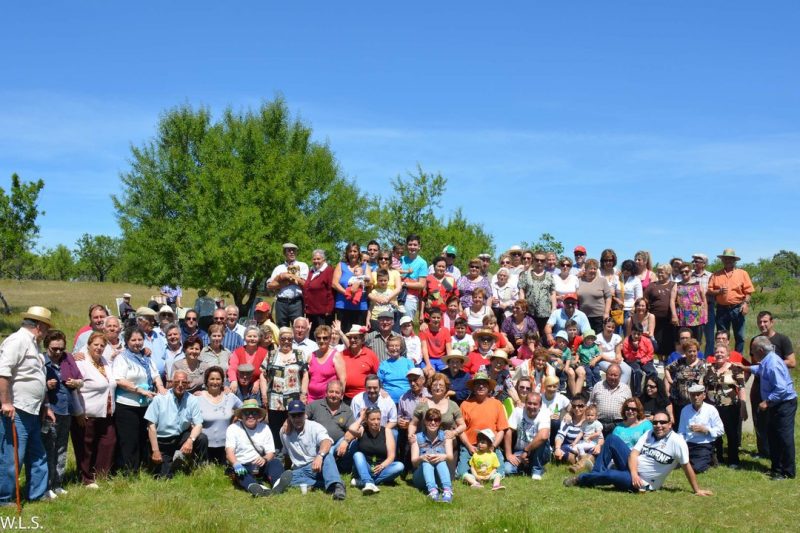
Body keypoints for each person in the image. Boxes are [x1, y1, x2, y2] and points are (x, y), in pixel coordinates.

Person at [564, 411, 712, 496]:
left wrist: (697, 490)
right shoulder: (649, 433)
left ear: (670, 424)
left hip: (642, 482)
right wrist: (634, 473)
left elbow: (686, 466)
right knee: (612, 439)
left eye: (662, 422)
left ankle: (581, 479)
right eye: (655, 422)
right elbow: (634, 454)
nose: (658, 425)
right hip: (632, 469)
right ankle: (596, 475)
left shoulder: (678, 442)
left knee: (610, 475)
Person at [0, 307, 53, 503]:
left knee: (37, 454)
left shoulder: (33, 345)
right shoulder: (17, 341)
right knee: (13, 456)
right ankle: (5, 498)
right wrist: (6, 402)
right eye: (47, 328)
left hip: (33, 409)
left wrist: (45, 405)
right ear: (39, 326)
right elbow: (3, 372)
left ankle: (37, 494)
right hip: (17, 409)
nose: (47, 332)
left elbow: (36, 377)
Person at [113, 326, 167, 474]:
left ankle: (143, 467)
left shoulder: (146, 358)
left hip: (145, 405)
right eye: (133, 340)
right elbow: (119, 380)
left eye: (140, 339)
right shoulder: (122, 358)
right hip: (127, 405)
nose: (137, 343)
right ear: (127, 341)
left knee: (143, 437)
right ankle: (130, 472)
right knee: (129, 439)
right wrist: (140, 390)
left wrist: (161, 388)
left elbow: (155, 375)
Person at [748, 336, 797, 479]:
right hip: (777, 404)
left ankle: (787, 472)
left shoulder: (773, 363)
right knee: (773, 436)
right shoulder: (767, 361)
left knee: (783, 437)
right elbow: (761, 369)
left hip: (784, 404)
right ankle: (776, 468)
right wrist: (746, 368)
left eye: (752, 350)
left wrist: (767, 402)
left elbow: (781, 389)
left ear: (760, 350)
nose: (751, 354)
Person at [72, 331, 116, 488]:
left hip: (107, 412)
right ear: (88, 345)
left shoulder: (105, 362)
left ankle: (101, 475)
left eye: (102, 345)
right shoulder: (81, 363)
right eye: (95, 344)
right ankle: (86, 478)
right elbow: (74, 389)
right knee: (86, 447)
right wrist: (78, 411)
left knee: (108, 442)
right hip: (87, 413)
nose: (99, 348)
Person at [749, 310, 795, 459]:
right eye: (759, 322)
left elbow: (792, 362)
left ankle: (779, 456)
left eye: (765, 321)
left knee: (777, 426)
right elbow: (756, 364)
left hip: (776, 386)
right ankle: (764, 451)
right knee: (760, 420)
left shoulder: (782, 340)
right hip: (759, 384)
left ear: (772, 322)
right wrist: (746, 369)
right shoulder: (755, 340)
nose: (762, 324)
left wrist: (772, 364)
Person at [145, 369, 207, 478]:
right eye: (177, 382)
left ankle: (198, 469)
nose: (180, 385)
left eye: (184, 382)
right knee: (163, 477)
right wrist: (155, 450)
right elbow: (151, 426)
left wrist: (190, 440)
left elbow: (198, 424)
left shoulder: (192, 400)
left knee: (201, 438)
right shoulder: (159, 399)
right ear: (171, 382)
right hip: (163, 440)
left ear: (188, 384)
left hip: (181, 436)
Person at [280, 399, 347, 499]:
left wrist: (320, 456)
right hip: (299, 470)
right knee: (286, 479)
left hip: (316, 466)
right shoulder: (284, 432)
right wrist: (286, 470)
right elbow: (286, 453)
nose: (297, 418)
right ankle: (330, 483)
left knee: (327, 456)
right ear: (289, 416)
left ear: (304, 414)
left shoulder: (314, 427)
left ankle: (338, 487)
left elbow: (326, 441)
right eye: (293, 416)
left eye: (299, 415)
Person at [225, 399, 292, 497]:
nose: (250, 416)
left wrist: (264, 459)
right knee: (240, 473)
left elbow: (271, 453)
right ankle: (257, 488)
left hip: (260, 464)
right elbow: (229, 452)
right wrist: (236, 464)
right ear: (242, 415)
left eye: (254, 413)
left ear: (258, 415)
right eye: (247, 413)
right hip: (242, 465)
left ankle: (278, 484)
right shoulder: (233, 428)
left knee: (275, 462)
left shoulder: (265, 428)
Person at [260, 327, 309, 450]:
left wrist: (303, 394)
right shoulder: (271, 354)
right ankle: (278, 454)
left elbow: (305, 375)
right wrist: (264, 395)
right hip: (274, 400)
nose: (286, 341)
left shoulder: (299, 354)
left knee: (293, 428)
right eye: (283, 339)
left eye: (289, 339)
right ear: (279, 339)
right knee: (276, 430)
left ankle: (293, 455)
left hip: (294, 399)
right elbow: (263, 375)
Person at [407, 373, 466, 467]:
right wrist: (410, 435)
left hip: (447, 446)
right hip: (426, 446)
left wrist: (454, 432)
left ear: (446, 388)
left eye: (441, 385)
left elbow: (462, 425)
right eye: (435, 385)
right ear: (430, 387)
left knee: (447, 475)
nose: (438, 388)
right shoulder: (422, 404)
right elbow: (413, 424)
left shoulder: (453, 405)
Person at [457, 371, 508, 478]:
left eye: (484, 384)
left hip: (491, 446)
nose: (481, 386)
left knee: (500, 473)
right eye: (477, 384)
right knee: (462, 473)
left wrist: (493, 446)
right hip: (471, 446)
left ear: (489, 387)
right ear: (473, 388)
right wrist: (469, 446)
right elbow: (460, 430)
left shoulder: (497, 404)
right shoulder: (465, 404)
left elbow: (501, 430)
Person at [703, 346, 747, 468]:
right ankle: (718, 458)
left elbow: (741, 388)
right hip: (712, 407)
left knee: (731, 433)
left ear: (728, 355)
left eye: (722, 352)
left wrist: (743, 407)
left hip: (730, 407)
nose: (719, 354)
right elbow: (702, 385)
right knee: (715, 433)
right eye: (717, 352)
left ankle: (733, 459)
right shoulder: (708, 368)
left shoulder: (735, 369)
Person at [708, 248, 754, 353]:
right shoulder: (716, 275)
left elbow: (748, 291)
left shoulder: (742, 273)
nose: (727, 260)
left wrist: (746, 304)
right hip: (721, 309)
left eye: (730, 258)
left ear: (734, 260)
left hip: (738, 308)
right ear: (722, 260)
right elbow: (709, 290)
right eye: (725, 259)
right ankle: (722, 356)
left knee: (740, 336)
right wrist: (719, 291)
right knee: (721, 336)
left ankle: (737, 359)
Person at [348, 407, 404, 493]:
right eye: (372, 419)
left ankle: (365, 482)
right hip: (365, 467)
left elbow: (391, 456)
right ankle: (368, 481)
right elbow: (351, 429)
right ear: (367, 420)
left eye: (378, 419)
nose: (376, 422)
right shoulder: (362, 430)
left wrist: (382, 466)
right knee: (357, 455)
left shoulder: (387, 431)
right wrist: (361, 418)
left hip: (381, 469)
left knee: (399, 466)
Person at [307, 380, 356, 472]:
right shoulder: (315, 405)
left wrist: (345, 441)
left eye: (337, 392)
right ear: (326, 393)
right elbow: (301, 418)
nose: (334, 395)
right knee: (327, 452)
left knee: (353, 442)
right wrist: (288, 421)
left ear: (342, 395)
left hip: (337, 445)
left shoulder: (347, 410)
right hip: (317, 444)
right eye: (331, 391)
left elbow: (352, 430)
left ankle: (342, 467)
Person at [197, 366, 241, 464]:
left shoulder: (230, 396)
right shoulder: (198, 397)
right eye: (212, 379)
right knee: (205, 471)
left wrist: (236, 418)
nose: (215, 382)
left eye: (218, 379)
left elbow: (244, 409)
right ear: (206, 381)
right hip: (205, 447)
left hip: (226, 446)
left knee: (225, 470)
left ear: (222, 381)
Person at [503, 392, 552, 480]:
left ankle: (536, 470)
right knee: (507, 469)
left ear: (540, 405)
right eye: (529, 403)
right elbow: (508, 431)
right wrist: (509, 454)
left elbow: (544, 435)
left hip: (540, 451)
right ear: (525, 403)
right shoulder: (518, 411)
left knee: (542, 439)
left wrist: (526, 451)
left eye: (535, 404)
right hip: (520, 451)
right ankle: (528, 467)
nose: (532, 406)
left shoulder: (545, 413)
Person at [677, 384, 724, 473]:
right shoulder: (685, 410)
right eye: (693, 395)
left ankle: (710, 458)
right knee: (673, 463)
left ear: (704, 395)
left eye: (698, 395)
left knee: (697, 468)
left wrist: (706, 430)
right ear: (690, 396)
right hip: (688, 443)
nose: (696, 397)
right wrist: (679, 443)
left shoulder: (711, 410)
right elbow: (681, 432)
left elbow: (721, 430)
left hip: (704, 444)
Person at [411, 408, 454, 502]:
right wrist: (421, 458)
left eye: (436, 420)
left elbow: (450, 457)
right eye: (430, 419)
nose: (433, 423)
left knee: (441, 460)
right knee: (426, 462)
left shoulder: (446, 436)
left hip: (439, 476)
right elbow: (414, 462)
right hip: (421, 477)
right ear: (425, 421)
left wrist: (443, 456)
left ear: (440, 422)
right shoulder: (416, 437)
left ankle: (447, 490)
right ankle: (433, 491)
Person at [666, 339, 709, 426]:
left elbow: (703, 378)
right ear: (685, 352)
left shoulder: (702, 364)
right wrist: (670, 380)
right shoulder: (679, 362)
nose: (692, 353)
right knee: (679, 425)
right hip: (678, 401)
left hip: (694, 403)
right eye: (689, 351)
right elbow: (667, 368)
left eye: (694, 351)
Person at [268, 242, 309, 327]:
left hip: (296, 302)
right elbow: (270, 286)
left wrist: (287, 276)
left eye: (294, 250)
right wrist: (283, 279)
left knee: (298, 327)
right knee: (282, 328)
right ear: (284, 253)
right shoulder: (278, 268)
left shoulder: (302, 265)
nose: (292, 252)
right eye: (289, 250)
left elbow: (305, 284)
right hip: (281, 302)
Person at [517, 250, 556, 333]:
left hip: (545, 313)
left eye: (542, 260)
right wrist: (522, 306)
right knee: (530, 336)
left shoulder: (550, 276)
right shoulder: (525, 275)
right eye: (537, 260)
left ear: (545, 262)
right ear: (533, 260)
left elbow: (552, 293)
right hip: (529, 312)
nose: (539, 262)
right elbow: (522, 291)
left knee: (544, 336)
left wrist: (554, 308)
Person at [588, 364, 632, 435]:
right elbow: (590, 403)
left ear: (620, 376)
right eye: (610, 375)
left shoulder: (626, 389)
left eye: (615, 375)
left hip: (618, 424)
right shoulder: (598, 386)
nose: (612, 377)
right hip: (598, 423)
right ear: (606, 374)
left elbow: (630, 407)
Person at [307, 325, 347, 402]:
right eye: (318, 338)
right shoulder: (311, 355)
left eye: (325, 338)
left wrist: (340, 398)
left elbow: (342, 379)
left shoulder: (336, 355)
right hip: (311, 399)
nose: (321, 341)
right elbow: (306, 378)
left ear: (329, 339)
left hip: (329, 400)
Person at [644, 264, 675, 359]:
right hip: (655, 318)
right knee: (657, 339)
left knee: (669, 339)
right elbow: (645, 300)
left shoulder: (673, 285)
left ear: (668, 273)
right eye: (658, 272)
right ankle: (660, 359)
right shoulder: (652, 285)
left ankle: (668, 359)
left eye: (662, 272)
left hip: (670, 318)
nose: (659, 274)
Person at [341, 326, 379, 402]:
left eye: (355, 338)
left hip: (365, 397)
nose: (352, 340)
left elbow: (378, 375)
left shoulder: (370, 355)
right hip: (345, 397)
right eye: (350, 338)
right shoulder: (342, 355)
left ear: (362, 339)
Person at [671, 262, 707, 342]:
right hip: (682, 318)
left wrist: (706, 315)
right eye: (682, 272)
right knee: (682, 341)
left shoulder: (698, 284)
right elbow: (672, 301)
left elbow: (704, 300)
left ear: (691, 272)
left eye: (686, 271)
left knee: (696, 341)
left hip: (697, 318)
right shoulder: (676, 285)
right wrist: (674, 315)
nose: (684, 273)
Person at [592, 317, 633, 388]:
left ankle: (619, 389)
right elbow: (600, 354)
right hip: (603, 360)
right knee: (613, 370)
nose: (610, 329)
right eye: (608, 327)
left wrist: (618, 358)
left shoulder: (616, 337)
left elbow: (618, 352)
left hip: (614, 359)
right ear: (604, 326)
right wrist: (612, 361)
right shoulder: (598, 338)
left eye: (613, 327)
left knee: (628, 369)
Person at [304, 249, 336, 336]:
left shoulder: (329, 271)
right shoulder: (311, 271)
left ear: (324, 260)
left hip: (323, 312)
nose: (316, 261)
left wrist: (329, 309)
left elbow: (331, 291)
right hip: (311, 311)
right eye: (314, 259)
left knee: (323, 335)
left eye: (318, 259)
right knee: (312, 335)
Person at [227, 326, 268, 392]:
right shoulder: (237, 352)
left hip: (256, 387)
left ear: (259, 338)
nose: (252, 338)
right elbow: (232, 368)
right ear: (245, 338)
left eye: (255, 336)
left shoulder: (264, 353)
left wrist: (258, 381)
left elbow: (265, 373)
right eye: (249, 336)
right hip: (238, 385)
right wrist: (233, 380)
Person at [690, 253, 715, 355]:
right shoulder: (689, 275)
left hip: (708, 307)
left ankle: (708, 358)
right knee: (695, 337)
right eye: (693, 261)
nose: (694, 263)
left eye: (697, 261)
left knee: (709, 336)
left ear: (704, 264)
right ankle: (696, 358)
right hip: (692, 309)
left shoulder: (711, 276)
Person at [422, 256, 459, 325]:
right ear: (434, 267)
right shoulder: (428, 279)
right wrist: (421, 314)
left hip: (446, 314)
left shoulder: (450, 279)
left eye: (443, 267)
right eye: (439, 266)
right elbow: (423, 298)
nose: (441, 268)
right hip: (430, 314)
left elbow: (456, 297)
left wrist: (459, 310)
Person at [621, 323, 657, 396]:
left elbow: (650, 354)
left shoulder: (647, 340)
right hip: (632, 361)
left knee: (653, 372)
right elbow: (627, 356)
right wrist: (635, 349)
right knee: (638, 372)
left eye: (639, 334)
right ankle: (637, 393)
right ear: (631, 332)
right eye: (634, 333)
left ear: (642, 334)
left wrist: (642, 360)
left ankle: (648, 391)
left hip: (645, 360)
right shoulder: (626, 341)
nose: (636, 336)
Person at [578, 258, 612, 333]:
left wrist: (606, 313)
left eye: (595, 269)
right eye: (591, 268)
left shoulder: (602, 281)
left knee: (598, 338)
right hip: (583, 316)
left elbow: (608, 297)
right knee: (585, 337)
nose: (593, 270)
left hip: (599, 317)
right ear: (586, 269)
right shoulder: (579, 280)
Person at [399, 234, 428, 322]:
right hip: (396, 295)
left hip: (410, 298)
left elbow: (421, 285)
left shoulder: (422, 263)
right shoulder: (401, 259)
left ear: (419, 246)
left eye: (415, 245)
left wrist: (403, 284)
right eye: (410, 244)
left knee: (406, 323)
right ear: (406, 246)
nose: (412, 247)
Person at [553, 395, 588, 468]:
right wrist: (557, 448)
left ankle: (577, 461)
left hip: (584, 448)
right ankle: (582, 462)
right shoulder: (568, 419)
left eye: (580, 406)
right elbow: (560, 435)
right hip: (570, 447)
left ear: (586, 406)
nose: (577, 408)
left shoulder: (589, 420)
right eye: (574, 406)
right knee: (562, 449)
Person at [567, 405, 604, 473]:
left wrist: (590, 437)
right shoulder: (585, 423)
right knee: (573, 447)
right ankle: (582, 458)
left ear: (596, 416)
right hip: (585, 442)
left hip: (593, 442)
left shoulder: (597, 423)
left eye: (592, 415)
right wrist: (574, 442)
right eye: (588, 415)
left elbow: (598, 433)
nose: (589, 417)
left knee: (580, 447)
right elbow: (581, 433)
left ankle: (582, 459)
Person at [378, 336, 414, 404]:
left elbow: (415, 380)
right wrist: (381, 390)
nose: (394, 348)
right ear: (388, 348)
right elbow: (378, 382)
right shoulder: (384, 364)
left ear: (401, 347)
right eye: (391, 346)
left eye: (397, 346)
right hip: (389, 401)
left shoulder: (409, 363)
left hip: (407, 400)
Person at [420, 307, 452, 375]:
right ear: (429, 318)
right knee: (430, 373)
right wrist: (428, 364)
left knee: (446, 373)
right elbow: (424, 348)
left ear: (441, 318)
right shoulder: (424, 331)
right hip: (429, 359)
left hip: (442, 359)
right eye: (433, 317)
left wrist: (449, 363)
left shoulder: (445, 331)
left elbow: (449, 348)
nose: (436, 320)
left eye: (438, 318)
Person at [614, 260, 643, 327]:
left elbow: (639, 297)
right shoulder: (617, 277)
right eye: (625, 269)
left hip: (630, 310)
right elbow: (611, 293)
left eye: (629, 270)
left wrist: (634, 308)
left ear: (633, 270)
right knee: (617, 331)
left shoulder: (636, 280)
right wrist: (617, 300)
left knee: (627, 330)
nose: (626, 271)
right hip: (617, 309)